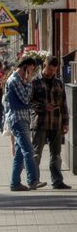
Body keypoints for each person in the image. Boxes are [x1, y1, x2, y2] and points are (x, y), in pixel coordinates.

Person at [4, 56, 46, 191]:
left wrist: (27, 81)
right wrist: (28, 81)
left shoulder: (19, 80)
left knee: (20, 153)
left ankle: (15, 183)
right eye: (31, 69)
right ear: (25, 67)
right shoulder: (15, 80)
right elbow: (25, 98)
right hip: (18, 119)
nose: (32, 73)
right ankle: (32, 180)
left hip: (22, 118)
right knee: (28, 150)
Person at [30, 56, 71, 189]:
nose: (51, 72)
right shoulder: (34, 82)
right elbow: (28, 103)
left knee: (56, 154)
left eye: (54, 70)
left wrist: (65, 123)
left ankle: (57, 181)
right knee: (36, 153)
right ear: (44, 65)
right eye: (49, 69)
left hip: (55, 123)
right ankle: (34, 180)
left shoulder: (58, 83)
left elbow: (64, 104)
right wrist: (43, 106)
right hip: (39, 123)